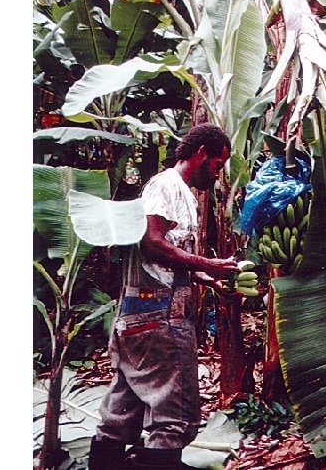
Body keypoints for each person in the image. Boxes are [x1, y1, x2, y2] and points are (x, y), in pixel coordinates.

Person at [88, 123, 241, 470]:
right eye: (217, 165)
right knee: (175, 411)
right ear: (201, 154)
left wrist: (208, 278)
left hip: (144, 317)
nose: (217, 175)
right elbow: (153, 244)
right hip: (159, 317)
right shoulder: (166, 185)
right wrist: (209, 263)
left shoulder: (181, 192)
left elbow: (169, 258)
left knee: (124, 406)